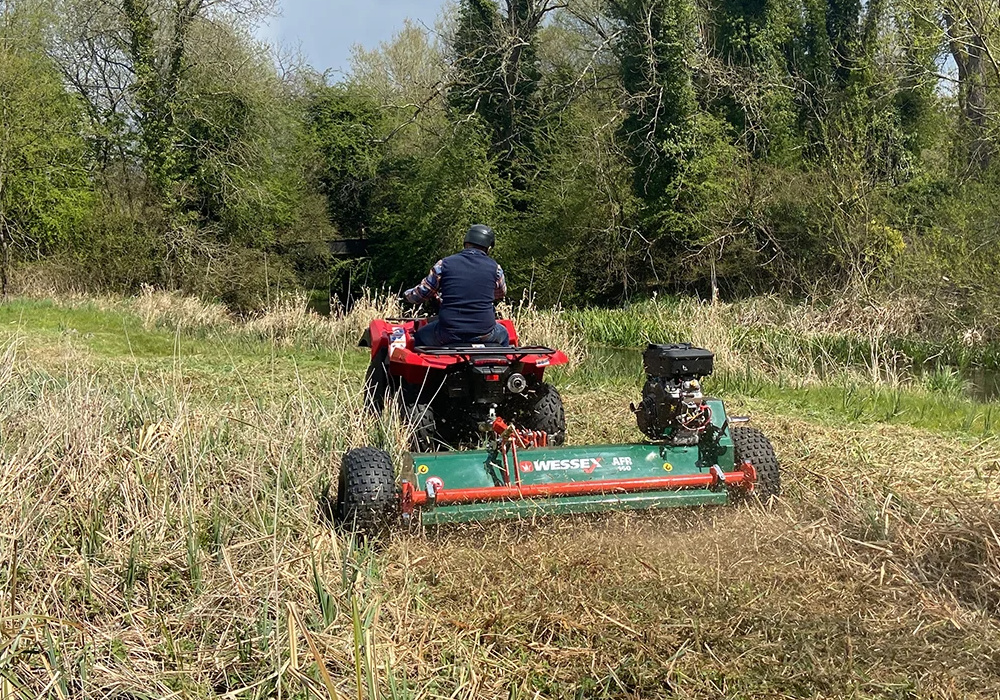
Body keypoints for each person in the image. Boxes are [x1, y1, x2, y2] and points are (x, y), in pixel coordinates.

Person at [404, 224, 509, 346]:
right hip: (485, 333)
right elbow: (500, 293)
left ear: (466, 242)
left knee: (419, 337)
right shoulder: (496, 268)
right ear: (488, 248)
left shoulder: (444, 264)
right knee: (505, 335)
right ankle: (508, 364)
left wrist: (406, 295)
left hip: (447, 333)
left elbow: (422, 293)